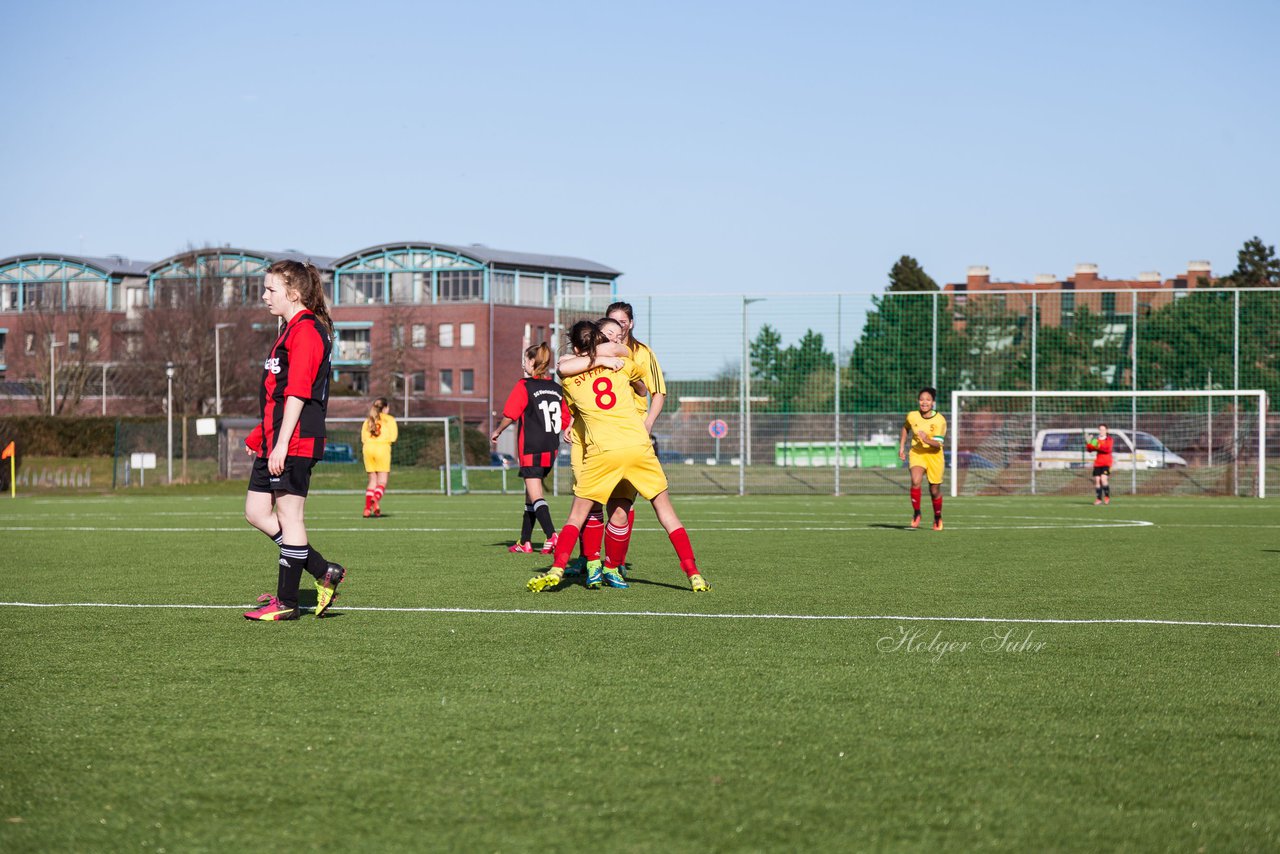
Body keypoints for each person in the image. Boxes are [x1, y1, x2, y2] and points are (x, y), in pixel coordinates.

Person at [528, 320, 709, 594]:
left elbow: (565, 369)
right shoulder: (622, 364)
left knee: (577, 515)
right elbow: (641, 389)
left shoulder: (568, 377)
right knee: (667, 514)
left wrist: (593, 360)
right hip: (638, 447)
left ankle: (557, 569)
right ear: (602, 342)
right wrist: (612, 361)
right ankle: (693, 573)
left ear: (577, 346)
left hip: (603, 451)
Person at [242, 259, 346, 621]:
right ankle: (321, 570)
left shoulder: (307, 331)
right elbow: (277, 391)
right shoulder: (288, 329)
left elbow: (299, 392)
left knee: (289, 516)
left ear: (294, 293)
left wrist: (282, 443)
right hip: (277, 437)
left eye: (271, 289)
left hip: (296, 438)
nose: (264, 295)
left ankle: (287, 601)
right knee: (256, 512)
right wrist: (262, 434)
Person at [557, 317, 633, 587]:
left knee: (621, 505)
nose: (614, 337)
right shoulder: (580, 362)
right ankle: (592, 562)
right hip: (584, 440)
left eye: (619, 331)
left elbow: (645, 387)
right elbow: (563, 366)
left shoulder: (627, 355)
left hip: (624, 440)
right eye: (608, 332)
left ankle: (613, 563)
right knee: (590, 502)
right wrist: (597, 359)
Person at [491, 343, 568, 554]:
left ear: (533, 362)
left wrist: (497, 430)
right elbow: (565, 419)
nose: (523, 363)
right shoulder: (556, 388)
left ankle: (552, 535)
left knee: (536, 495)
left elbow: (510, 413)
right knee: (530, 495)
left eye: (525, 359)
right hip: (551, 448)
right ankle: (524, 541)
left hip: (531, 447)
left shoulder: (524, 385)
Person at [898, 386, 946, 531]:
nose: (924, 402)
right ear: (918, 401)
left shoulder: (940, 420)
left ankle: (937, 517)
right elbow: (905, 428)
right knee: (915, 480)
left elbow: (938, 445)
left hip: (934, 456)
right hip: (917, 453)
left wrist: (926, 439)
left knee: (934, 490)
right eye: (922, 399)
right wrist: (902, 447)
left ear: (933, 403)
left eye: (928, 400)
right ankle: (917, 513)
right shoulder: (912, 415)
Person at [360, 397, 398, 517]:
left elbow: (363, 438)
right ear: (385, 408)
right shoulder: (390, 420)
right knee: (382, 481)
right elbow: (393, 438)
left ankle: (367, 509)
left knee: (372, 480)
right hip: (382, 449)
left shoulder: (368, 420)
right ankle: (375, 499)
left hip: (368, 449)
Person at [1086, 424, 1113, 505]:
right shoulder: (1096, 439)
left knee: (1103, 479)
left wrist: (1098, 445)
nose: (1101, 431)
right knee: (1097, 481)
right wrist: (1089, 442)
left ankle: (1107, 496)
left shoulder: (1109, 439)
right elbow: (1090, 450)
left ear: (1106, 431)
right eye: (1100, 429)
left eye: (1103, 429)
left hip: (1107, 463)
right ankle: (1098, 499)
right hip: (1098, 463)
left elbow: (1107, 450)